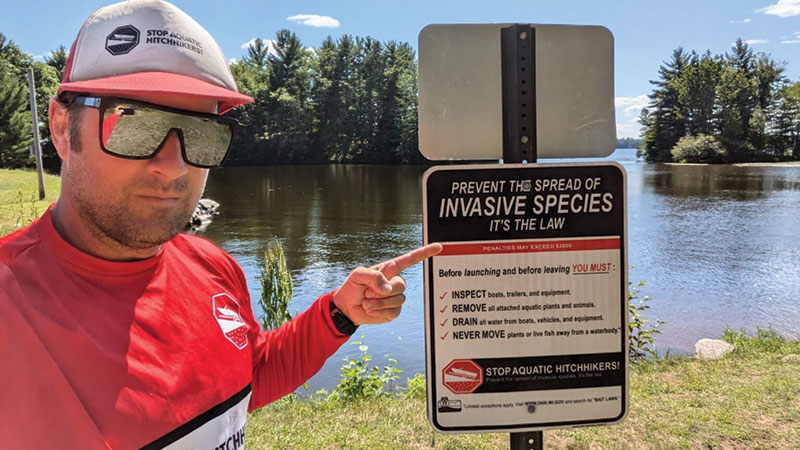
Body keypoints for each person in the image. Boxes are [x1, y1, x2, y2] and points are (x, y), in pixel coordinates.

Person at [0, 1, 441, 448]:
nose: (172, 167)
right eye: (132, 125)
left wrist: (339, 314)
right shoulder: (10, 309)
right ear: (60, 127)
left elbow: (242, 380)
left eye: (202, 134)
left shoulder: (213, 268)